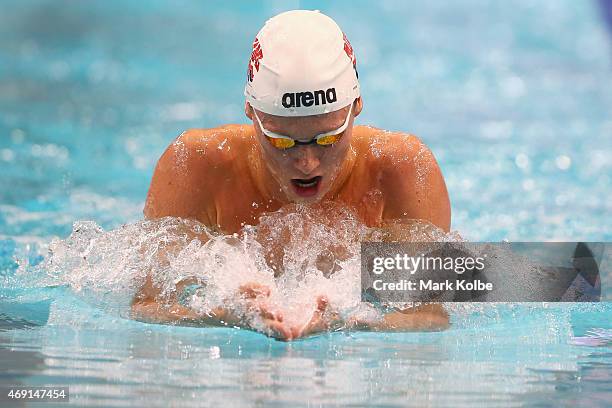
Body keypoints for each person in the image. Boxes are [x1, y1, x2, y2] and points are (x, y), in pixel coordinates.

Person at [131, 10, 451, 340]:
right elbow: (147, 305)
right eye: (282, 140)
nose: (306, 162)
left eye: (327, 138)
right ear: (250, 112)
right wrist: (220, 315)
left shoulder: (401, 168)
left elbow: (432, 313)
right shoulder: (197, 166)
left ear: (357, 104)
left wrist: (359, 322)